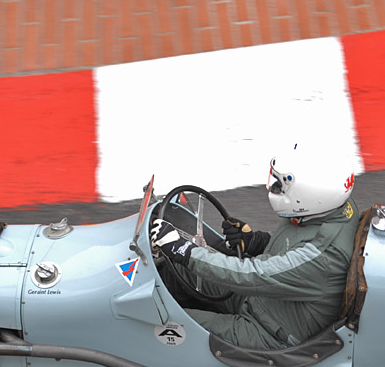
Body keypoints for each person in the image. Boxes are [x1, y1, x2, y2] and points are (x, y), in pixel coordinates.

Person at [150, 145, 360, 350]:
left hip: (268, 331)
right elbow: (292, 251)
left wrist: (184, 250)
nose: (272, 188)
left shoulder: (322, 257)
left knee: (164, 323)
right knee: (178, 272)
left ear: (309, 195)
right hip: (264, 298)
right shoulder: (331, 211)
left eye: (280, 186)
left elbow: (253, 274)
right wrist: (253, 241)